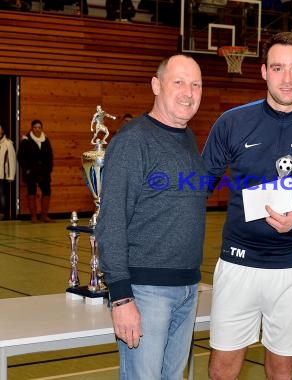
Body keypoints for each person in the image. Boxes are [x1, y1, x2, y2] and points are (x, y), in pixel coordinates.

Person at [202, 31, 292, 380]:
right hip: (237, 263)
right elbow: (198, 187)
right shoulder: (232, 123)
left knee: (281, 373)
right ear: (263, 71)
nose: (287, 78)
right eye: (278, 68)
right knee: (221, 371)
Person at [95, 54, 208, 380]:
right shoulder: (133, 140)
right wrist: (121, 298)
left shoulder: (187, 138)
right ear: (156, 86)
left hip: (187, 288)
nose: (189, 92)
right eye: (179, 82)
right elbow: (112, 220)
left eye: (196, 84)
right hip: (146, 294)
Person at [17, 119, 55, 223]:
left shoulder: (45, 140)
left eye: (39, 127)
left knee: (47, 192)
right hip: (31, 172)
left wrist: (49, 169)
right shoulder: (26, 140)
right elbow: (20, 157)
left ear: (41, 128)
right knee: (32, 192)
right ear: (32, 128)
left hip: (44, 172)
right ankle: (33, 216)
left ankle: (44, 215)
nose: (37, 129)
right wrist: (27, 169)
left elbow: (50, 156)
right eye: (35, 127)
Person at [0, 124, 16, 221]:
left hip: (1, 175)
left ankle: (2, 213)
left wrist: (11, 175)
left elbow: (12, 160)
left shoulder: (8, 143)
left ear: (2, 131)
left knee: (1, 195)